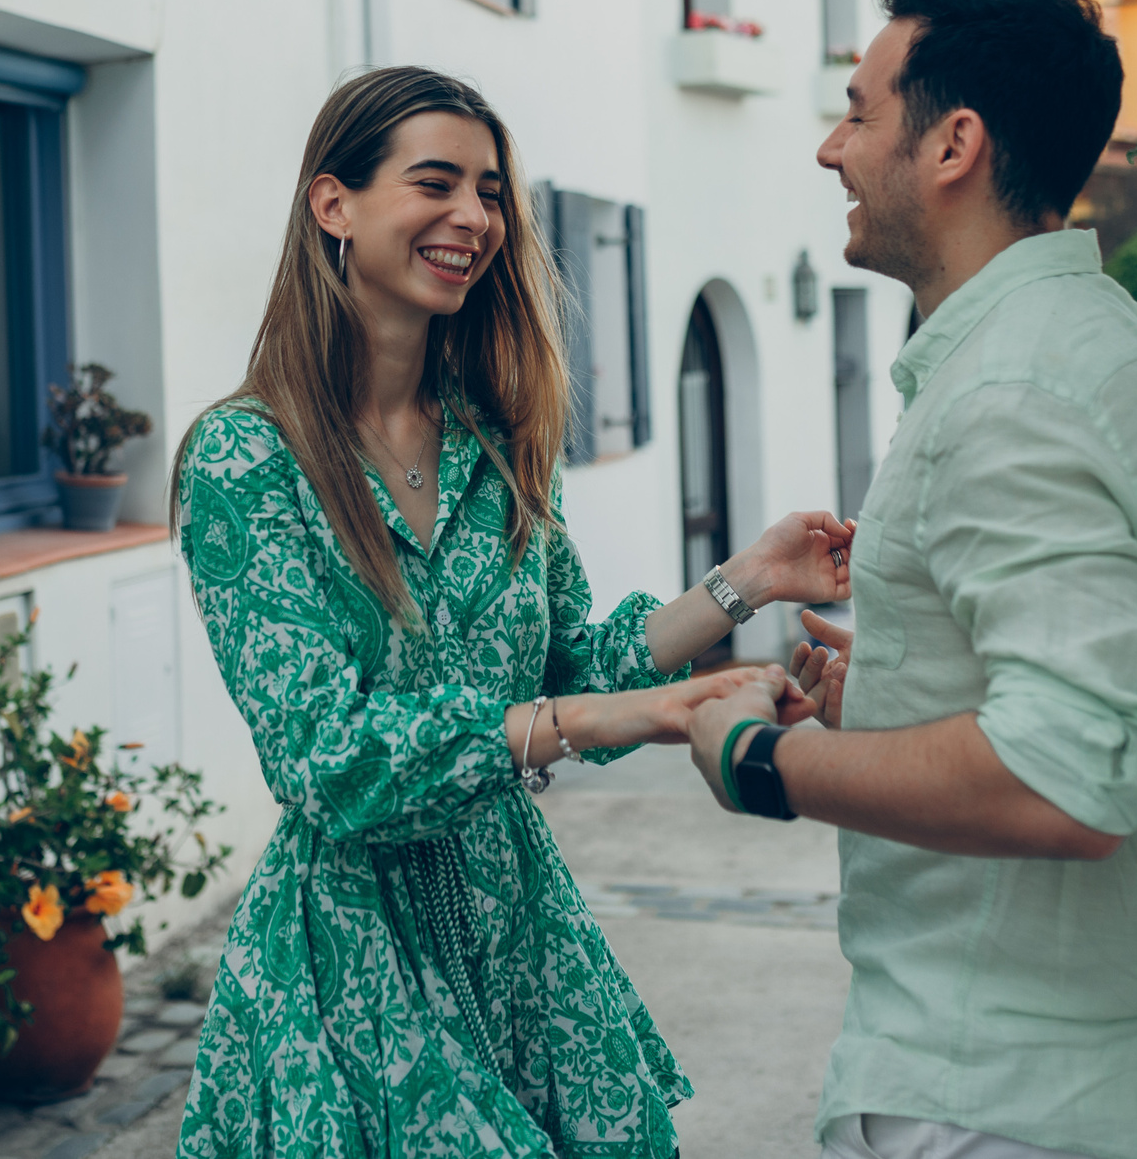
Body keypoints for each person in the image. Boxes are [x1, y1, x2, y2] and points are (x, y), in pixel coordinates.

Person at [170, 66, 852, 1159]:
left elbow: (575, 657)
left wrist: (749, 581)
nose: (473, 217)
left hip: (519, 929)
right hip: (353, 954)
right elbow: (323, 761)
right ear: (332, 204)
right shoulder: (245, 458)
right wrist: (594, 723)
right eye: (434, 182)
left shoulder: (491, 438)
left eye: (489, 192)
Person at [688, 0, 1137, 1159]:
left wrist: (765, 759)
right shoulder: (1092, 348)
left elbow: (1061, 775)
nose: (830, 148)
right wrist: (890, 698)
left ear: (953, 143)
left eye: (857, 110)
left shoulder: (1013, 390)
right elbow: (1073, 692)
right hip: (1060, 1078)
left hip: (1000, 1096)